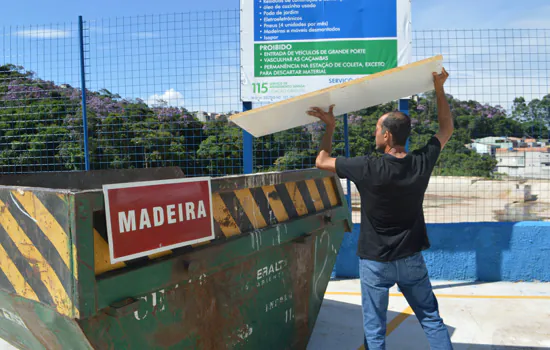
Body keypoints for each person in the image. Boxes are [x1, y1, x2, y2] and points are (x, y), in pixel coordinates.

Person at [307, 68, 454, 350]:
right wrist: (438, 88)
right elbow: (446, 128)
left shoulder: (367, 166)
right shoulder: (421, 162)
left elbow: (321, 160)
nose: (375, 133)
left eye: (377, 129)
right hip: (411, 259)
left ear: (386, 136)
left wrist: (330, 127)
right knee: (431, 319)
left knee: (375, 332)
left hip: (375, 261)